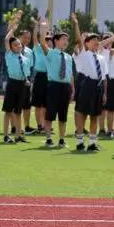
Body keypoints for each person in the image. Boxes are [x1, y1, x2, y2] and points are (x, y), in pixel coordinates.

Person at [36, 18, 73, 148]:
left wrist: (72, 89)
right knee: (50, 113)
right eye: (63, 39)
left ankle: (62, 139)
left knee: (63, 115)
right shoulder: (51, 53)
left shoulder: (68, 57)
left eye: (67, 40)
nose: (65, 42)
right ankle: (48, 138)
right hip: (53, 86)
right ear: (56, 41)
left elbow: (70, 74)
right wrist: (43, 29)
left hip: (65, 87)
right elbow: (42, 43)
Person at [71, 15, 106, 153]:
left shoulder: (101, 58)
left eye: (98, 40)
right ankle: (80, 141)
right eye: (93, 40)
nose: (97, 42)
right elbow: (79, 39)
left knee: (95, 115)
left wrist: (104, 93)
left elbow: (104, 77)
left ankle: (92, 142)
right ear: (87, 43)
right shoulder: (83, 54)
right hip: (86, 84)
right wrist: (76, 24)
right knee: (82, 114)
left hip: (98, 87)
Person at [2, 14, 32, 144]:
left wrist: (27, 80)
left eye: (19, 44)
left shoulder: (25, 58)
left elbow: (27, 71)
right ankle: (6, 135)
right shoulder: (9, 55)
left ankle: (18, 135)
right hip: (12, 83)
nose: (18, 46)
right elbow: (7, 39)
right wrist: (13, 28)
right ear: (11, 47)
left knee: (18, 111)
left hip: (22, 84)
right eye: (15, 45)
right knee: (9, 111)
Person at [29, 29, 51, 138]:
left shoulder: (52, 51)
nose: (48, 41)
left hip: (50, 77)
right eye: (46, 39)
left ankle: (46, 125)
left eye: (49, 40)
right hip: (40, 76)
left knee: (47, 104)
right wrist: (37, 27)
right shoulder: (38, 49)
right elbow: (34, 39)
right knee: (38, 104)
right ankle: (39, 126)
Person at [18, 27, 36, 134]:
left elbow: (31, 66)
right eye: (24, 37)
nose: (26, 40)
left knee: (26, 104)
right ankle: (16, 127)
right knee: (16, 104)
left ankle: (27, 126)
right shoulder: (13, 49)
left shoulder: (29, 52)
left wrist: (29, 79)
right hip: (16, 78)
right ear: (19, 37)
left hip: (27, 78)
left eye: (28, 38)